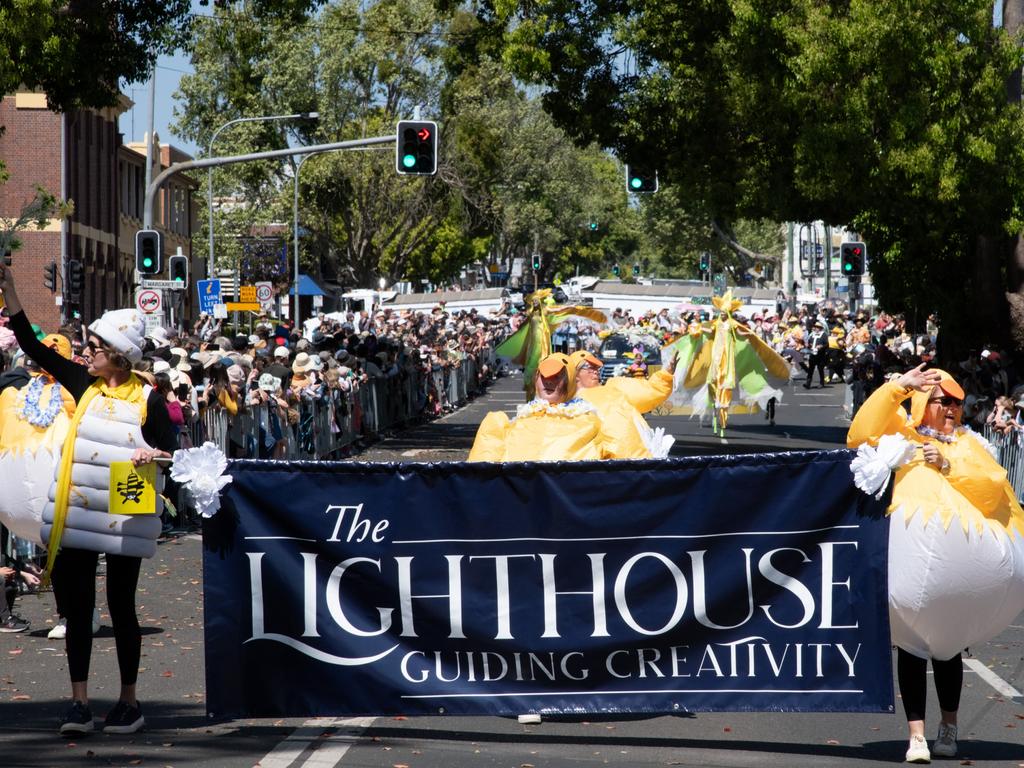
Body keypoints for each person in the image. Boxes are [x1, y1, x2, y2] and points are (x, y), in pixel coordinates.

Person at [0, 262, 177, 737]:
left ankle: (128, 701)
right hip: (79, 499)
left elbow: (173, 455)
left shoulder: (150, 400)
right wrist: (11, 290)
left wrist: (153, 454)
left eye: (95, 349)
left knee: (121, 603)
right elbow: (34, 346)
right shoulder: (83, 384)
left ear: (119, 356)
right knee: (78, 606)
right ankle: (79, 703)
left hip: (128, 490)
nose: (86, 353)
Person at [847, 364, 1024, 763]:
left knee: (947, 651)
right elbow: (860, 433)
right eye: (945, 401)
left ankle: (949, 726)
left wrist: (947, 464)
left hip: (961, 580)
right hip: (908, 572)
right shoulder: (902, 435)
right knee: (910, 650)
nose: (953, 410)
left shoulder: (969, 443)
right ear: (925, 403)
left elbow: (993, 484)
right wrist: (898, 388)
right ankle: (917, 737)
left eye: (958, 404)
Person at [469, 353, 609, 462]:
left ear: (570, 380)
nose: (548, 381)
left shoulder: (589, 421)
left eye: (556, 376)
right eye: (543, 375)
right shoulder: (520, 420)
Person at [572, 349, 677, 459]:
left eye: (597, 368)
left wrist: (666, 374)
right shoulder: (567, 405)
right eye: (589, 367)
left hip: (640, 458)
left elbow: (648, 392)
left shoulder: (614, 386)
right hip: (603, 466)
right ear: (574, 374)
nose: (595, 371)